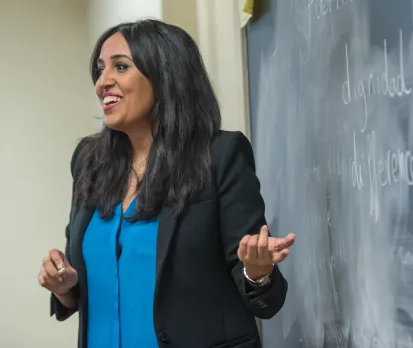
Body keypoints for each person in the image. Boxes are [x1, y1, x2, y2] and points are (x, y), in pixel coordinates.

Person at [37, 19, 295, 348]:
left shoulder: (218, 156)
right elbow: (86, 284)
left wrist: (258, 272)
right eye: (100, 70)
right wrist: (64, 286)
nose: (103, 82)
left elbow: (265, 302)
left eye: (120, 66)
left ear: (164, 75)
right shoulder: (88, 160)